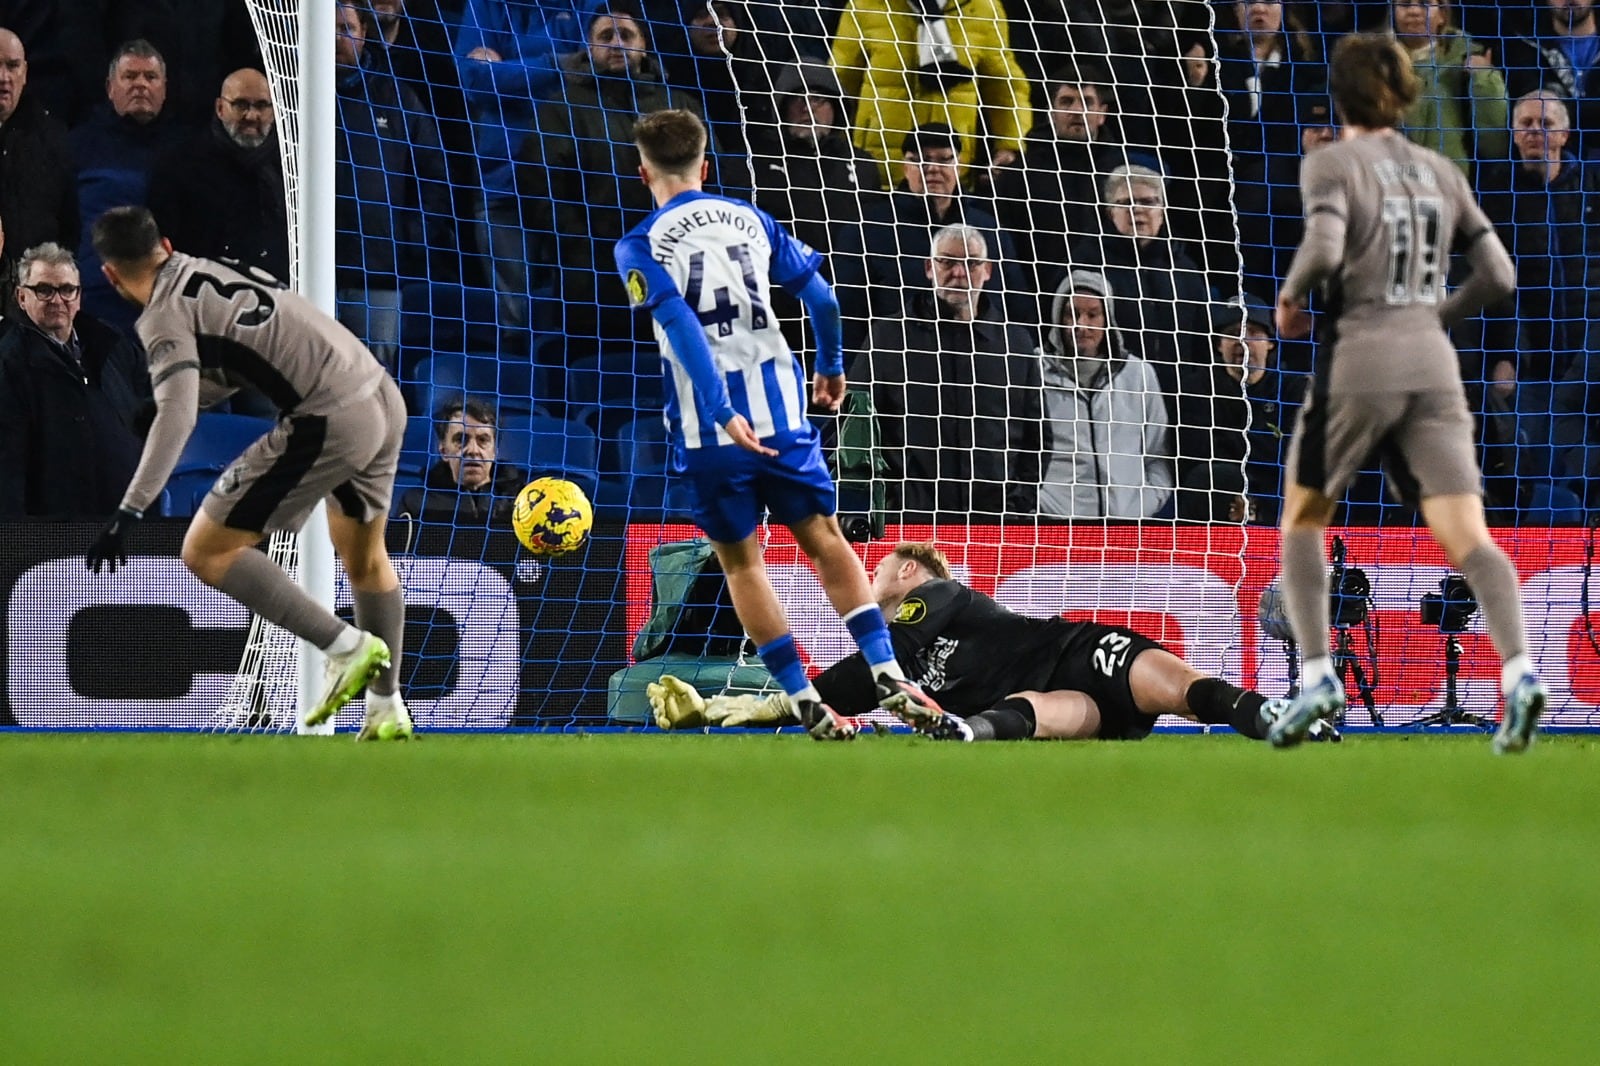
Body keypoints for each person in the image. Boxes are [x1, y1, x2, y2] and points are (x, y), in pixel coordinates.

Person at [612, 108, 930, 740]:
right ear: (705, 165)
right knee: (826, 540)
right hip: (783, 414)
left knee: (742, 565)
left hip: (712, 436)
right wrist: (832, 364)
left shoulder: (640, 243)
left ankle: (802, 697)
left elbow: (679, 326)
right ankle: (887, 670)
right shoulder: (750, 219)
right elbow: (824, 298)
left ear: (643, 169)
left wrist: (721, 410)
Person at [1270, 34, 1545, 753]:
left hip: (1362, 353)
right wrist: (1436, 317)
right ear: (1405, 95)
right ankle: (1519, 673)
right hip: (1435, 364)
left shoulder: (1333, 161)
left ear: (1342, 95)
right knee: (1467, 536)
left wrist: (1293, 300)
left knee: (1304, 518)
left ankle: (1317, 676)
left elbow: (1325, 248)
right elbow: (1500, 277)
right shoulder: (1439, 170)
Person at [84, 205, 413, 742]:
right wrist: (195, 393)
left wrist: (130, 509)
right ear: (164, 244)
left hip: (328, 417)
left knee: (206, 551)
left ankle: (346, 647)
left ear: (109, 274)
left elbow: (177, 415)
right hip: (379, 392)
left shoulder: (162, 315)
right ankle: (386, 710)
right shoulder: (218, 269)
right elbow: (255, 353)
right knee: (365, 558)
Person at [649, 541, 1336, 743]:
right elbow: (835, 691)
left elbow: (867, 669)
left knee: (1182, 692)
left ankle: (1270, 714)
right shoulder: (892, 656)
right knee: (1045, 713)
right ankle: (969, 733)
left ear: (911, 572)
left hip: (1076, 646)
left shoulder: (941, 598)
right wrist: (726, 709)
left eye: (884, 563)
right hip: (1052, 693)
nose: (875, 572)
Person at [857, 223, 1041, 519]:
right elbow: (857, 424)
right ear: (929, 268)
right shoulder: (889, 336)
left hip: (993, 524)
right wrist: (889, 500)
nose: (959, 272)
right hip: (909, 521)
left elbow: (1036, 436)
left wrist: (1017, 502)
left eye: (971, 262)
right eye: (947, 261)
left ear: (988, 270)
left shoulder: (1016, 343)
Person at [334, 2, 455, 372]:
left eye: (346, 28)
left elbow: (434, 173)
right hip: (305, 269)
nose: (337, 38)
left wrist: (408, 240)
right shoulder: (293, 98)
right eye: (328, 29)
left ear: (364, 33)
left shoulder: (397, 97)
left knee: (373, 383)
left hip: (379, 275)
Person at [0, 242, 150, 518]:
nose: (57, 300)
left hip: (125, 521)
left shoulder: (112, 343)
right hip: (57, 534)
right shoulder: (9, 362)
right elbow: (8, 469)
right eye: (44, 290)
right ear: (21, 297)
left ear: (79, 296)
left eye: (67, 289)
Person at [829, 0, 1033, 189]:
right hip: (876, 171)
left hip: (949, 172)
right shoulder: (866, 5)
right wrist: (832, 147)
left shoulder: (982, 8)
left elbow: (1005, 88)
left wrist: (1010, 145)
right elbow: (839, 82)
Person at [1035, 268, 1173, 520]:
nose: (1081, 325)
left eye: (1092, 314)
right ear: (1057, 318)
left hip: (1127, 530)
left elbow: (1158, 455)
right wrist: (1040, 506)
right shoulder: (1034, 371)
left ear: (1107, 319)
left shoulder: (1139, 375)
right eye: (1071, 314)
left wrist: (1144, 504)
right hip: (1054, 525)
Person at [70, 40, 188, 331]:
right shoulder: (78, 146)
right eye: (130, 76)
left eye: (150, 77)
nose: (140, 85)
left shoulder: (189, 151)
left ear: (164, 88)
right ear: (111, 87)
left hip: (167, 303)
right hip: (95, 303)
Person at [146, 68, 290, 285]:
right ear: (220, 108)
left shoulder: (291, 168)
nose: (251, 116)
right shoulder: (180, 166)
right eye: (240, 104)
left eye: (261, 105)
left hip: (278, 299)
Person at [1387, 0, 1508, 183]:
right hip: (1389, 179)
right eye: (1405, 4)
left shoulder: (1468, 59)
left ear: (1443, 14)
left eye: (1424, 4)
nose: (1413, 11)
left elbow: (1494, 143)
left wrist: (1484, 80)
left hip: (1449, 182)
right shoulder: (1374, 63)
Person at [0, 27, 78, 302]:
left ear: (25, 73)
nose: (3, 78)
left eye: (12, 66)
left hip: (35, 300)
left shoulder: (53, 139)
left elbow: (69, 225)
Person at [397, 397, 528, 526]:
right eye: (460, 440)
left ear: (495, 451)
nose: (472, 450)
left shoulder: (524, 499)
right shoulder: (417, 502)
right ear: (444, 451)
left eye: (482, 440)